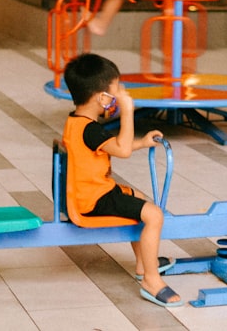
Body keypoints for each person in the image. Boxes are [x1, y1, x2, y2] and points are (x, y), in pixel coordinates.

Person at [61, 52, 182, 307]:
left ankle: (143, 263)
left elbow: (116, 146)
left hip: (91, 192)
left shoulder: (77, 122)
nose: (120, 95)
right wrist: (128, 111)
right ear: (101, 98)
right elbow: (122, 151)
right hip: (94, 200)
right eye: (117, 90)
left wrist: (141, 142)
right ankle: (151, 280)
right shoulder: (90, 129)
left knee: (137, 199)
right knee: (154, 215)